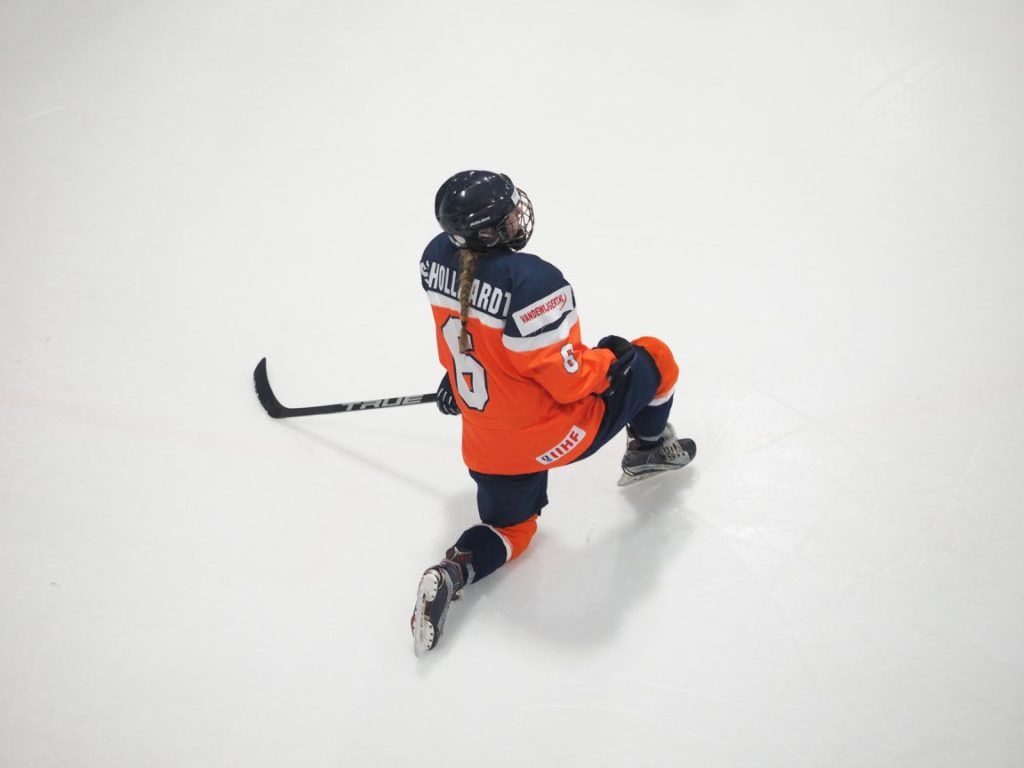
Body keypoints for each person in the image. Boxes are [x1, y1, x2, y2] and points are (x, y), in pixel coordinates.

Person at [411, 170, 696, 655]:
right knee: (656, 357)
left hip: (486, 445)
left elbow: (464, 338)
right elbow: (572, 382)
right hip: (561, 434)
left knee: (509, 530)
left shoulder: (436, 258)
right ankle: (647, 450)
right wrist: (610, 359)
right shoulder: (533, 284)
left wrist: (456, 381)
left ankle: (454, 568)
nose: (517, 216)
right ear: (488, 231)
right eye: (507, 215)